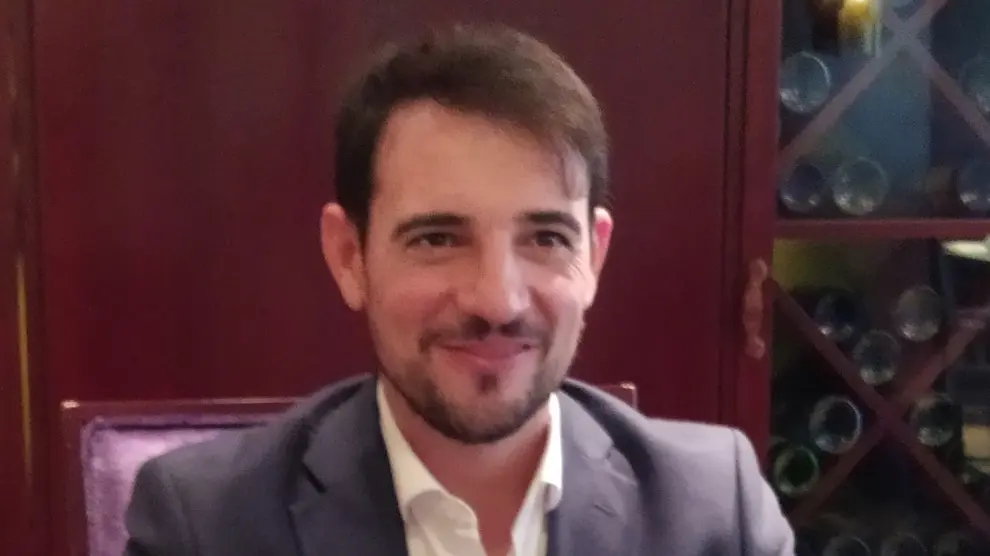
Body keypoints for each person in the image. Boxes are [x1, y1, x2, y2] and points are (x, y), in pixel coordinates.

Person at [123, 23, 794, 556]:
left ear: (594, 256)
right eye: (438, 238)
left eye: (545, 238)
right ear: (350, 256)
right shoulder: (208, 525)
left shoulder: (715, 511)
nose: (497, 300)